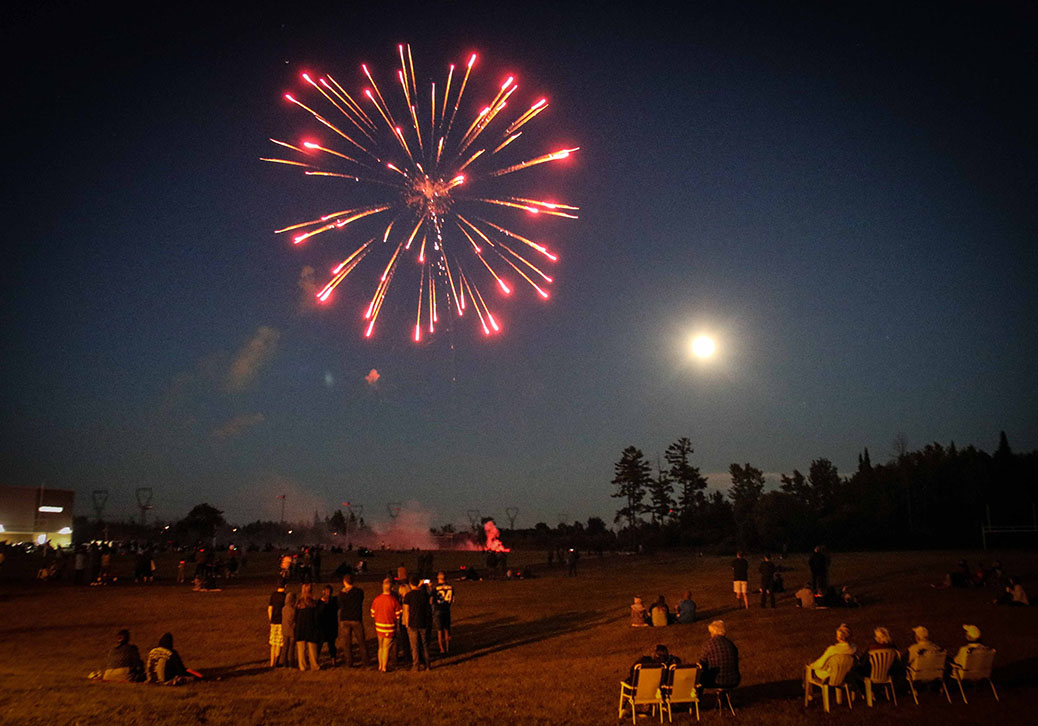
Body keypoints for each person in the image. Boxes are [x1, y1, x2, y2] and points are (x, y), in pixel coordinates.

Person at [337, 574, 369, 667]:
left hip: (345, 619)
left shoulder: (341, 594)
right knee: (361, 641)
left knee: (347, 643)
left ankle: (349, 662)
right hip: (356, 618)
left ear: (344, 582)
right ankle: (365, 660)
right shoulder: (358, 592)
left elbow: (339, 605)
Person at [371, 578, 402, 672]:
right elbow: (398, 615)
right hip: (389, 627)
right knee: (386, 647)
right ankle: (384, 667)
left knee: (380, 647)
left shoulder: (376, 600)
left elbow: (372, 613)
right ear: (391, 588)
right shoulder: (393, 601)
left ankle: (380, 665)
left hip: (378, 626)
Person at [697, 620, 740, 689]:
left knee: (698, 678)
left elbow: (701, 664)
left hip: (716, 680)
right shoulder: (730, 644)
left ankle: (697, 698)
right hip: (734, 679)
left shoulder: (708, 645)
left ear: (714, 632)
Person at [403, 576, 433, 670]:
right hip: (423, 621)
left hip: (412, 623)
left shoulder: (408, 595)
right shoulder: (424, 594)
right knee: (424, 645)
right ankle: (428, 664)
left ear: (410, 584)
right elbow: (430, 601)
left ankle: (416, 665)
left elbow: (406, 610)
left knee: (414, 646)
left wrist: (407, 623)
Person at [294, 583, 321, 671]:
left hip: (300, 627)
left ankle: (302, 666)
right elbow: (317, 617)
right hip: (311, 627)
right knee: (312, 648)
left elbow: (295, 616)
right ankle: (314, 665)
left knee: (301, 648)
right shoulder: (313, 603)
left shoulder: (299, 602)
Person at [433, 571, 454, 653]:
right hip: (447, 609)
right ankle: (448, 647)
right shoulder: (451, 587)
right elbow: (452, 599)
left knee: (439, 631)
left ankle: (441, 648)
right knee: (446, 630)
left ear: (438, 578)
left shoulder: (436, 588)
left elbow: (432, 599)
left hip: (438, 609)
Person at [267, 578, 288, 667]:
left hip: (273, 621)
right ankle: (276, 662)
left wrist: (271, 619)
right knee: (279, 644)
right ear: (285, 586)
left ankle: (271, 662)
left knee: (273, 643)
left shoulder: (273, 595)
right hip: (281, 622)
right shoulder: (285, 597)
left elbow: (270, 608)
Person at [317, 584, 339, 665]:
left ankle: (316, 659)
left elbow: (319, 613)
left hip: (323, 626)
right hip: (332, 626)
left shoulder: (320, 602)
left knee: (319, 644)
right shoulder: (335, 601)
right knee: (332, 644)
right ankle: (333, 660)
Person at [280, 592, 297, 668]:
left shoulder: (284, 609)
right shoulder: (293, 610)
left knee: (285, 647)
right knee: (291, 648)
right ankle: (291, 663)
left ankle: (284, 662)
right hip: (292, 631)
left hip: (285, 630)